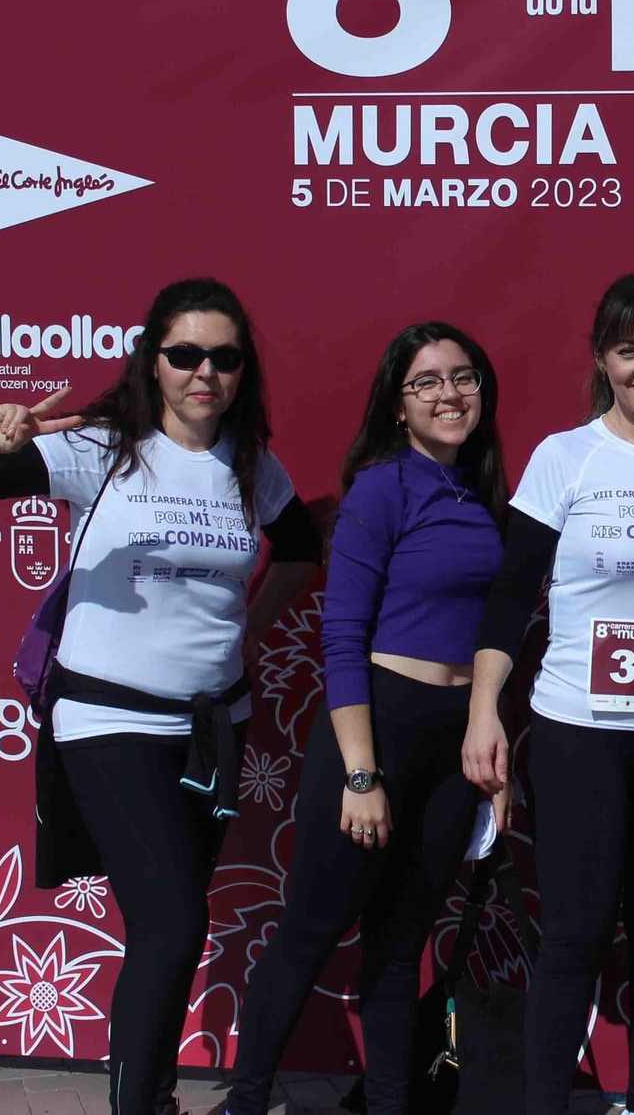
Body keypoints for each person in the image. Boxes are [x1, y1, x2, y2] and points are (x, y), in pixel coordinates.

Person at [0, 278, 319, 1115]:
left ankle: (157, 1096)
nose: (203, 372)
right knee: (172, 923)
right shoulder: (102, 446)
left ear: (242, 370)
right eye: (185, 354)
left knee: (172, 929)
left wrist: (246, 627)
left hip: (214, 726)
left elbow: (298, 544)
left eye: (224, 357)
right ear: (152, 361)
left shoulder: (252, 465)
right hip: (107, 718)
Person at [464, 272, 634, 1115]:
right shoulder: (564, 457)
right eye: (629, 350)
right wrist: (485, 713)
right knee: (577, 933)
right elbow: (510, 595)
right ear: (602, 358)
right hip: (582, 728)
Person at [226, 323, 507, 1115]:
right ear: (396, 403)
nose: (449, 393)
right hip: (376, 726)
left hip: (453, 739)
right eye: (427, 381)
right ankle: (247, 1101)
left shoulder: (483, 491)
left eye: (464, 376)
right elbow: (341, 635)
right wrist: (361, 772)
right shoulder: (382, 487)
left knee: (400, 946)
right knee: (311, 929)